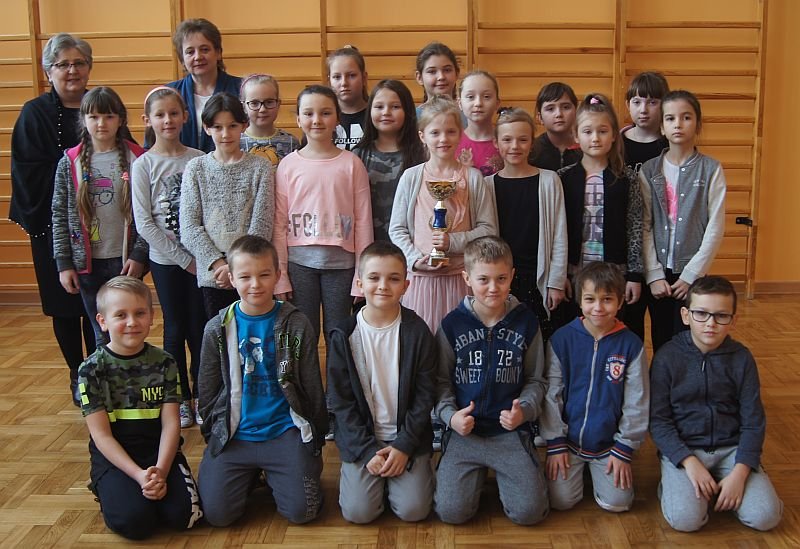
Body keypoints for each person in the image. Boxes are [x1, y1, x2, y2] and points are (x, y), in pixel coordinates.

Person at [197, 235, 327, 526]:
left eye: (264, 275)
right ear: (231, 278)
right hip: (236, 435)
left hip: (284, 432)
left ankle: (289, 468)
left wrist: (315, 439)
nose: (255, 284)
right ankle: (249, 474)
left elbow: (312, 387)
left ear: (278, 275)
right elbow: (206, 390)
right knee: (217, 516)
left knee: (302, 512)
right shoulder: (217, 328)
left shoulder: (297, 323)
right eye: (245, 277)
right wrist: (214, 433)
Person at [650, 276, 783, 532]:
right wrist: (688, 461)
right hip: (685, 450)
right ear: (686, 315)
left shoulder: (742, 359)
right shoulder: (666, 358)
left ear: (733, 320)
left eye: (721, 316)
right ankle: (673, 484)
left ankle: (727, 484)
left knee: (765, 517)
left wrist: (740, 472)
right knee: (686, 520)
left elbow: (754, 421)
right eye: (701, 314)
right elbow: (658, 421)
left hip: (732, 451)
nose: (710, 323)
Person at [434, 236, 549, 525]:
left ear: (512, 276)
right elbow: (440, 381)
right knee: (451, 512)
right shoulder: (451, 324)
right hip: (464, 432)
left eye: (501, 278)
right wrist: (450, 417)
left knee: (529, 513)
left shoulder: (527, 322)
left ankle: (512, 474)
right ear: (467, 278)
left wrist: (524, 410)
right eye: (483, 279)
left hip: (509, 431)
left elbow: (536, 379)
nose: (493, 287)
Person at [78, 276, 202, 540]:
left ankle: (150, 491)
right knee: (136, 523)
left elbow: (171, 424)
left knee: (185, 517)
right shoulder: (91, 370)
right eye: (120, 315)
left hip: (158, 453)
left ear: (151, 316)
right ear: (102, 321)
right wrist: (138, 475)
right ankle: (108, 488)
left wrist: (161, 471)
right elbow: (101, 436)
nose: (132, 322)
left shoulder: (165, 362)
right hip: (117, 457)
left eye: (139, 313)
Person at [9, 33, 95, 405]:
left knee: (97, 303)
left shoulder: (100, 103)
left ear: (89, 67)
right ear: (49, 71)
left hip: (99, 223)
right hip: (52, 225)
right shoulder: (34, 112)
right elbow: (26, 169)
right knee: (65, 304)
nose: (72, 70)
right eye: (63, 64)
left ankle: (99, 369)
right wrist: (71, 180)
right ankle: (77, 373)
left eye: (79, 63)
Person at [327, 241, 437, 524]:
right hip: (363, 438)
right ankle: (371, 478)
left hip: (406, 437)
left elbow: (425, 396)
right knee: (358, 512)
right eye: (374, 278)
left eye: (393, 279)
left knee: (414, 510)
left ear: (406, 285)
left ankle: (406, 475)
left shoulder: (418, 332)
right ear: (360, 283)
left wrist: (404, 446)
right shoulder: (343, 335)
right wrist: (367, 451)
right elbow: (340, 402)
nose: (383, 286)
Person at [541, 262, 649, 512]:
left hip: (609, 445)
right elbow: (551, 395)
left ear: (620, 302)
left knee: (617, 503)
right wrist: (555, 442)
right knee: (560, 502)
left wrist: (624, 448)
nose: (598, 307)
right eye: (590, 299)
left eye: (607, 299)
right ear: (580, 300)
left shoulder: (631, 345)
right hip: (568, 443)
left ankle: (599, 471)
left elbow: (637, 401)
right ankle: (579, 470)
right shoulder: (562, 339)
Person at [273, 85, 373, 345]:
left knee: (337, 334)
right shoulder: (288, 165)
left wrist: (362, 275)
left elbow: (363, 222)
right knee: (303, 333)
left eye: (325, 113)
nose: (317, 120)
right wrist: (281, 275)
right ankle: (307, 376)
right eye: (309, 113)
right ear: (298, 119)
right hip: (299, 265)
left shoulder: (352, 164)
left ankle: (337, 376)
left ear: (337, 118)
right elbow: (279, 223)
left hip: (342, 266)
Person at [389, 96, 496, 333]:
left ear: (460, 134)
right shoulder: (411, 177)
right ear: (422, 136)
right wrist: (414, 259)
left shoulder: (473, 178)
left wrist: (452, 242)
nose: (443, 139)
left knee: (459, 342)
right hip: (420, 281)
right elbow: (397, 229)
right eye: (435, 133)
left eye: (450, 132)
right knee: (423, 344)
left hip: (461, 279)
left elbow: (489, 230)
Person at [131, 86, 205, 428]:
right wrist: (182, 259)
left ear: (185, 116)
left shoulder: (198, 158)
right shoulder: (144, 165)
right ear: (148, 120)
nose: (168, 120)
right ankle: (179, 398)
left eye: (174, 113)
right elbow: (145, 223)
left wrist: (200, 257)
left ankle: (203, 394)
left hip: (200, 260)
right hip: (167, 263)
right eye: (160, 115)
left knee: (200, 328)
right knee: (175, 329)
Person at [51, 86, 147, 348]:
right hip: (88, 265)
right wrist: (64, 263)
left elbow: (148, 213)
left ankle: (132, 372)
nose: (101, 123)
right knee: (101, 332)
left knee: (129, 328)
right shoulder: (69, 161)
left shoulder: (138, 158)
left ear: (121, 119)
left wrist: (139, 254)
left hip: (125, 262)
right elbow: (59, 215)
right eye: (93, 117)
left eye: (108, 116)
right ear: (83, 120)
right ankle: (105, 374)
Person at [640, 90, 726, 351]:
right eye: (670, 118)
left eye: (686, 117)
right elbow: (645, 225)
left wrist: (691, 274)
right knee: (661, 338)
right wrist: (653, 274)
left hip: (692, 273)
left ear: (697, 124)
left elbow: (715, 228)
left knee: (689, 340)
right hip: (658, 274)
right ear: (662, 127)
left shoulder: (711, 169)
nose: (678, 124)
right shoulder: (649, 169)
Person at [179, 92, 275, 322]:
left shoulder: (260, 167)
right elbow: (189, 227)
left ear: (244, 125)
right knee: (219, 334)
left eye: (232, 126)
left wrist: (238, 268)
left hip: (252, 274)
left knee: (254, 333)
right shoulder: (196, 168)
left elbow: (262, 223)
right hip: (214, 275)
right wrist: (219, 264)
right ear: (206, 128)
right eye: (218, 127)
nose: (225, 134)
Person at [558, 94, 643, 324]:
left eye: (603, 131)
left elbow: (636, 227)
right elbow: (557, 231)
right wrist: (559, 275)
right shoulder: (563, 178)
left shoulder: (628, 178)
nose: (595, 138)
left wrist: (635, 275)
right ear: (576, 135)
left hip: (615, 275)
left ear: (614, 135)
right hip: (574, 274)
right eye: (587, 132)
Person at [485, 107, 567, 342]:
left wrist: (556, 282)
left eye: (522, 140)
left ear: (532, 143)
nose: (515, 146)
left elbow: (559, 235)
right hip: (502, 279)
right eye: (507, 140)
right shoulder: (487, 185)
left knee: (538, 342)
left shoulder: (549, 180)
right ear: (496, 143)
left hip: (538, 278)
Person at [620, 71, 670, 343]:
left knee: (665, 327)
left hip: (661, 249)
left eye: (652, 102)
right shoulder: (617, 142)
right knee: (630, 326)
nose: (644, 109)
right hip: (628, 250)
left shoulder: (670, 144)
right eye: (637, 102)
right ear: (628, 104)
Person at [353, 80, 426, 242]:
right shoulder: (358, 155)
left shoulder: (422, 154)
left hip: (410, 245)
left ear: (407, 111)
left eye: (395, 107)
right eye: (379, 107)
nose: (386, 112)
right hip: (370, 244)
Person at [167, 18, 242, 152]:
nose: (198, 57)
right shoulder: (169, 93)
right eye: (190, 52)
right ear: (182, 59)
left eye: (205, 49)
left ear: (218, 53)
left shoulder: (242, 89)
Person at [239, 74, 300, 165]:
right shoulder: (236, 142)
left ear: (278, 104)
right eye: (254, 103)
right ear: (244, 107)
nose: (262, 109)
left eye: (269, 102)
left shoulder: (291, 142)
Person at [456, 70, 503, 176]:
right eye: (470, 97)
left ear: (497, 103)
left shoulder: (506, 141)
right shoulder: (452, 142)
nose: (478, 103)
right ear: (460, 103)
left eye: (486, 97)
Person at [528, 82, 582, 171]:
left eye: (566, 107)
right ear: (540, 117)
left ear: (576, 112)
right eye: (550, 109)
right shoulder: (532, 151)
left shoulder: (586, 147)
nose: (559, 114)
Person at [328, 46, 369, 151]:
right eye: (337, 77)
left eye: (351, 75)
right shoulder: (322, 117)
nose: (344, 83)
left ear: (364, 78)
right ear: (330, 80)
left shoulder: (376, 115)